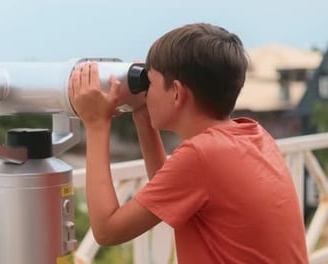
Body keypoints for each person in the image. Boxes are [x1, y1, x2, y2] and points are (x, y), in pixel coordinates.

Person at [68, 23, 308, 263]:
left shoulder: (202, 155)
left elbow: (108, 231)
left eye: (149, 83)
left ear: (176, 93)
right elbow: (171, 189)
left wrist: (96, 124)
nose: (146, 91)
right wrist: (143, 118)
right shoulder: (253, 135)